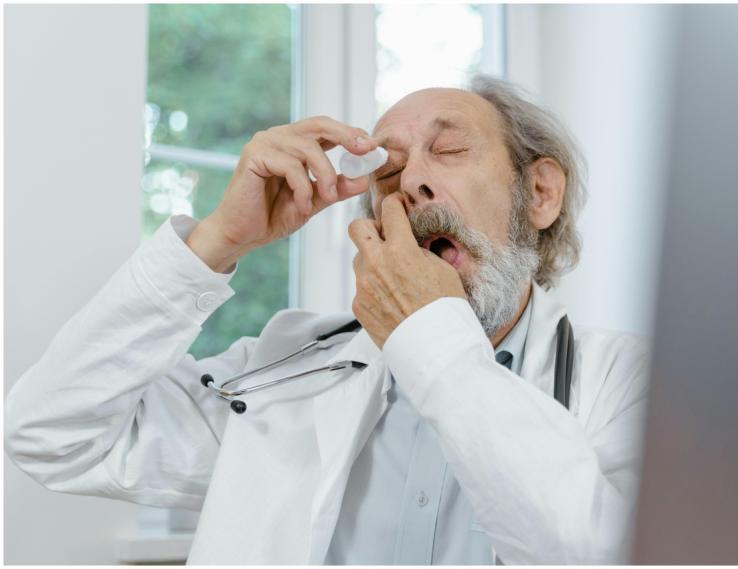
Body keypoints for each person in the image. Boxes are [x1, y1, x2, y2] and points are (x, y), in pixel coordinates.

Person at [5, 76, 650, 564]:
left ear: (539, 194)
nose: (412, 183)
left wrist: (433, 340)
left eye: (449, 149)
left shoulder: (631, 382)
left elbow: (599, 551)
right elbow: (51, 432)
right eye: (388, 168)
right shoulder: (285, 370)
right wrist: (219, 240)